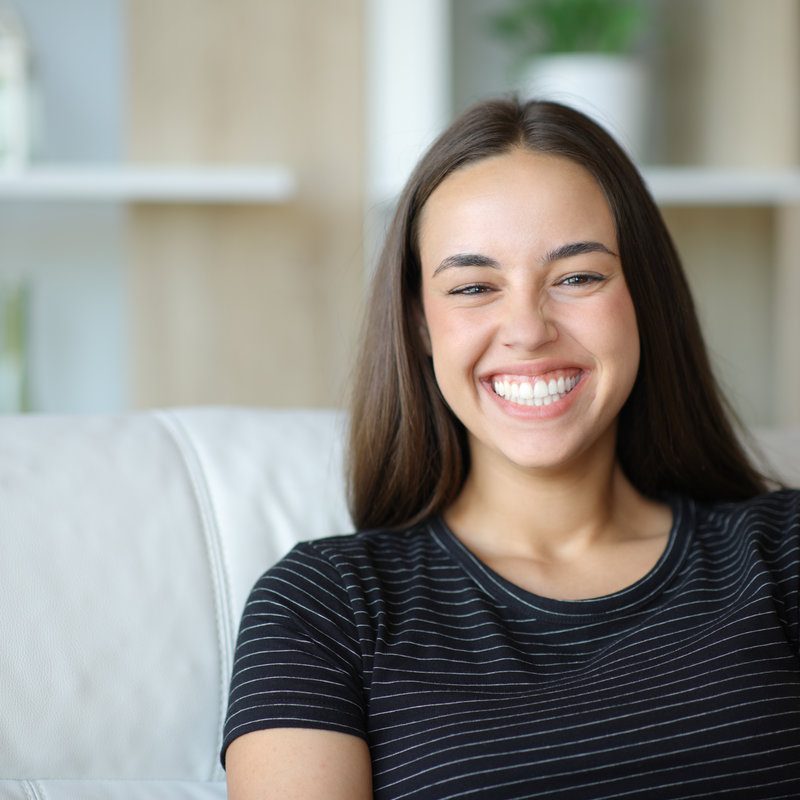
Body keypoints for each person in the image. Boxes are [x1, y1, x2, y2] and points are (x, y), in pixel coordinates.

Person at [222, 98, 800, 799]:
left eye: (577, 277)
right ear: (419, 321)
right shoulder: (324, 605)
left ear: (643, 296)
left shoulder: (783, 554)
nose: (527, 330)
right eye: (473, 287)